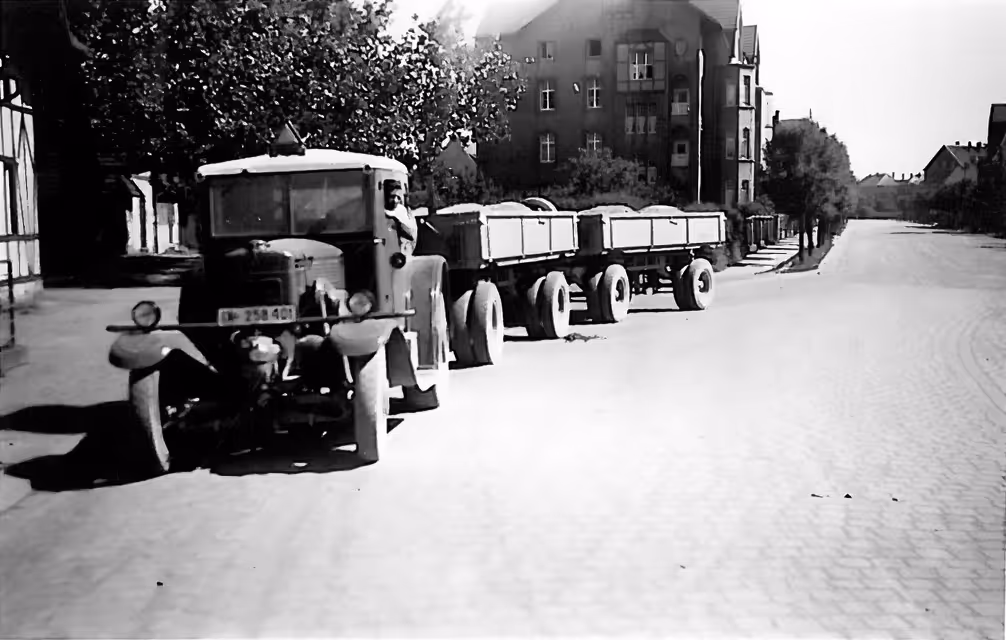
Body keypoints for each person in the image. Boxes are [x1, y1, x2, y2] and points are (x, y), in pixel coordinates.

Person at [383, 180, 418, 255]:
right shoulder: (383, 212)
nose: (396, 200)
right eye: (392, 197)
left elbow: (411, 229)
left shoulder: (401, 209)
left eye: (398, 197)